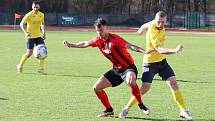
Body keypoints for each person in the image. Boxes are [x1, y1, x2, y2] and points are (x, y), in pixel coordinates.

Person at [63, 18, 150, 117]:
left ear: (106, 28)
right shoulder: (98, 40)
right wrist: (72, 45)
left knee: (130, 81)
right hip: (116, 70)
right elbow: (85, 43)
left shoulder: (115, 39)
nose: (99, 33)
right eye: (97, 30)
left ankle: (141, 104)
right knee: (96, 88)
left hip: (128, 68)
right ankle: (109, 110)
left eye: (101, 30)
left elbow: (130, 46)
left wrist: (144, 51)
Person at [119, 11, 193, 120]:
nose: (160, 24)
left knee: (174, 84)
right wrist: (175, 50)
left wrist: (140, 31)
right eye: (158, 22)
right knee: (144, 89)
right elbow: (160, 50)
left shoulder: (153, 23)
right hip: (150, 64)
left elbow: (145, 25)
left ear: (166, 20)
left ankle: (183, 110)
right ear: (155, 19)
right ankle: (126, 108)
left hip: (162, 62)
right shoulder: (152, 32)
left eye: (163, 22)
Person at [17, 1, 46, 74]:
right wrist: (26, 32)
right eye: (34, 7)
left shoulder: (41, 15)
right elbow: (21, 24)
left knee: (43, 51)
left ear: (39, 7)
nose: (35, 8)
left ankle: (40, 68)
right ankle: (20, 65)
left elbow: (42, 24)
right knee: (29, 53)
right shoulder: (29, 15)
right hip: (30, 37)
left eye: (37, 7)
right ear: (32, 7)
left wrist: (44, 33)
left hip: (38, 36)